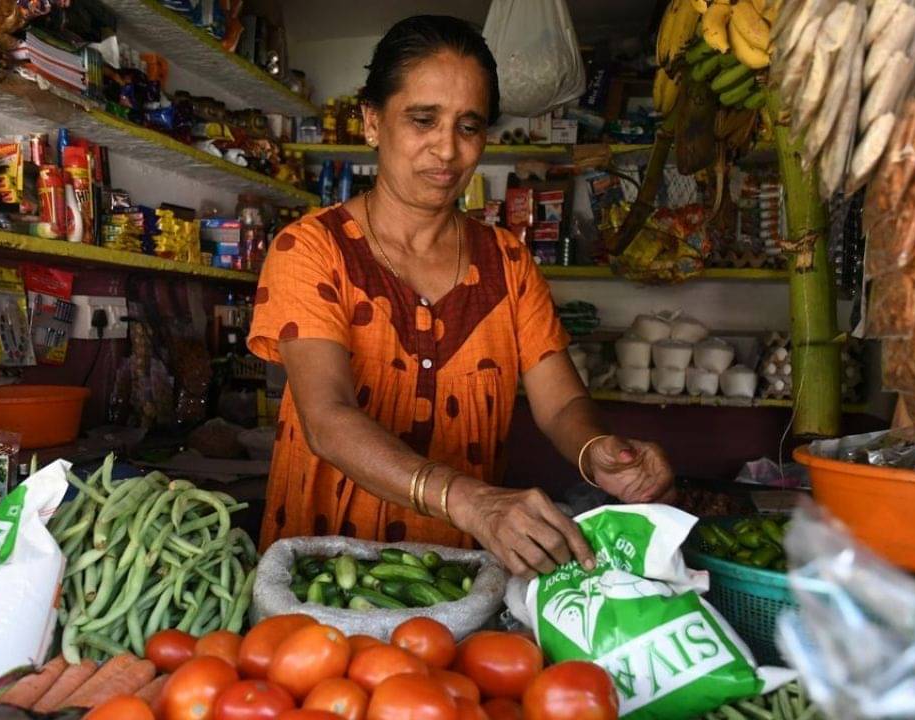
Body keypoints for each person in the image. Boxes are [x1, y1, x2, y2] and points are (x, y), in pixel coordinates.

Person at [249, 15, 676, 576]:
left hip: (457, 578)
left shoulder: (508, 264)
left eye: (468, 126)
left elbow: (560, 404)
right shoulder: (310, 249)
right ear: (372, 121)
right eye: (423, 120)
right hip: (321, 571)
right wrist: (471, 501)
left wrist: (595, 450)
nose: (447, 149)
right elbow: (327, 418)